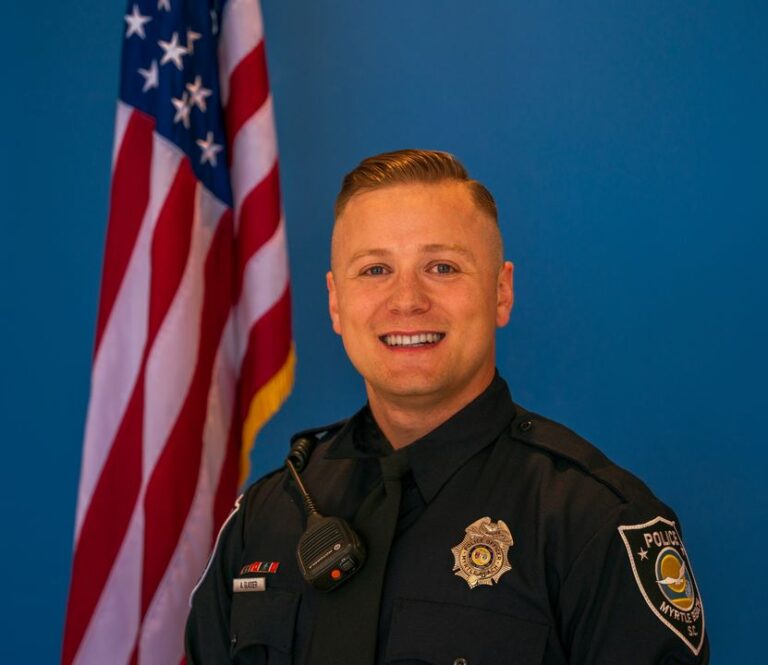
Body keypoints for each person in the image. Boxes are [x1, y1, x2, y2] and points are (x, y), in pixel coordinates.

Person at [185, 149, 708, 664]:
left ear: (501, 292)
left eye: (442, 267)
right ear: (335, 301)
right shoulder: (267, 516)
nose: (407, 300)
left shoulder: (592, 521)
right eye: (374, 270)